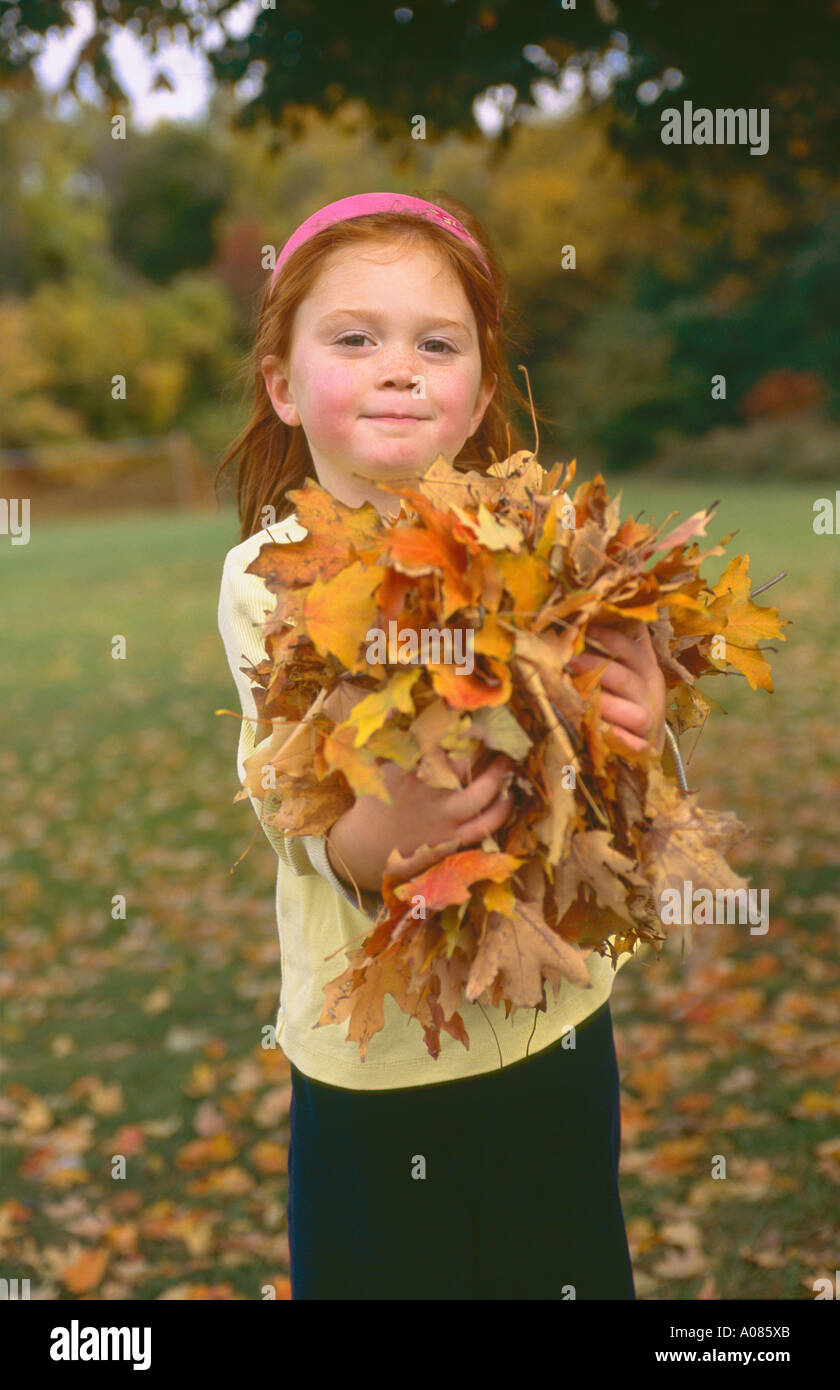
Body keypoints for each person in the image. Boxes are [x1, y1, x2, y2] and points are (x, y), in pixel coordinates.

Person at [216, 191, 671, 1300]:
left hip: (555, 1022)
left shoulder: (549, 543)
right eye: (355, 338)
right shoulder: (266, 577)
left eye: (437, 343)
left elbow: (615, 780)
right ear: (284, 384)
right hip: (380, 1064)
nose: (399, 368)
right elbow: (297, 808)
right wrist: (387, 839)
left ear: (476, 395)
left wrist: (639, 725)